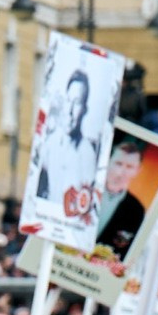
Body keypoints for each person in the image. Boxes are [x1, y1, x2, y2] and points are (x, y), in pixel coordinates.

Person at [30, 70, 105, 231]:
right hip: (44, 227)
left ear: (85, 108)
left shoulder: (87, 153)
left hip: (70, 232)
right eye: (68, 101)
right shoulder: (49, 143)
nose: (70, 110)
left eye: (77, 102)